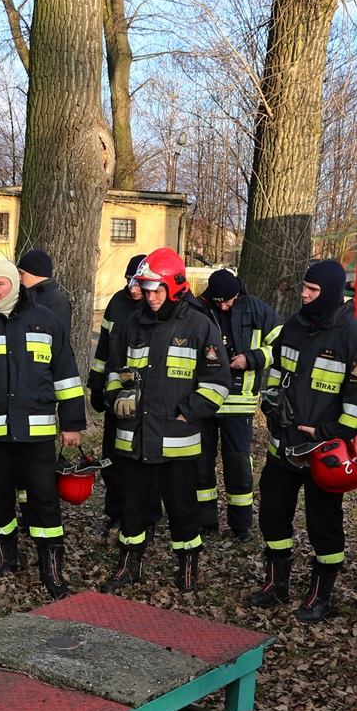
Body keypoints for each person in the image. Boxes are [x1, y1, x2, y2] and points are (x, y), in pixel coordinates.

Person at [248, 260, 357, 622]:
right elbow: (275, 370)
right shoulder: (293, 326)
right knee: (273, 514)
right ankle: (277, 583)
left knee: (324, 524)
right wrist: (271, 403)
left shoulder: (353, 337)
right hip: (282, 446)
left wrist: (326, 434)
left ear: (333, 293)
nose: (304, 294)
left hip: (325, 455)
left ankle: (321, 595)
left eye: (313, 290)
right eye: (304, 287)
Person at [0, 261, 86, 596]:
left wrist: (72, 423)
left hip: (35, 434)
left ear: (15, 284)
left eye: (0, 284)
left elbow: (66, 376)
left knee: (43, 499)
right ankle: (5, 559)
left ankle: (51, 569)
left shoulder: (46, 321)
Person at [100, 247, 230, 594]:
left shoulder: (199, 325)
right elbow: (113, 371)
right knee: (132, 507)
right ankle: (129, 564)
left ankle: (188, 567)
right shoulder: (133, 323)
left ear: (174, 287)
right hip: (135, 437)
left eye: (158, 290)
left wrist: (188, 411)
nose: (151, 297)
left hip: (178, 441)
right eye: (147, 289)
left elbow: (218, 382)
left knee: (183, 509)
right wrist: (115, 399)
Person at [189, 269, 281, 541]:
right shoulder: (199, 308)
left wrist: (250, 359)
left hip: (239, 402)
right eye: (218, 302)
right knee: (200, 462)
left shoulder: (257, 310)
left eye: (228, 301)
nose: (224, 306)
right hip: (204, 399)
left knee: (238, 463)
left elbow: (284, 344)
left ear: (237, 293)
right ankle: (205, 521)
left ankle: (241, 527)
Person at [89, 253, 161, 539]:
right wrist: (97, 385)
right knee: (112, 458)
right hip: (116, 397)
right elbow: (104, 350)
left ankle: (150, 517)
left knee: (146, 463)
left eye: (138, 282)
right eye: (129, 280)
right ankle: (115, 511)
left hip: (146, 403)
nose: (132, 288)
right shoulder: (117, 303)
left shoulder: (156, 305)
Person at [17, 249, 73, 352]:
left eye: (22, 273)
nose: (19, 278)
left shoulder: (56, 301)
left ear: (36, 274)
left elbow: (60, 344)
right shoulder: (29, 296)